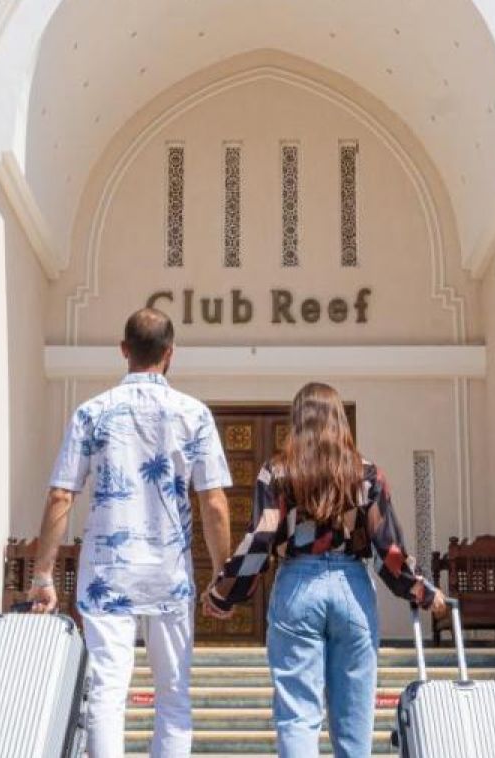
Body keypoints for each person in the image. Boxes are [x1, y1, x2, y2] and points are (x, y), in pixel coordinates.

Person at [27, 307, 234, 758]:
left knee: (106, 692)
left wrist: (43, 575)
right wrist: (223, 573)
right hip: (169, 574)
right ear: (170, 353)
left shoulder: (91, 413)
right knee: (174, 695)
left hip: (107, 576)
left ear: (124, 350)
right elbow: (214, 503)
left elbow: (61, 495)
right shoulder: (194, 414)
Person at [203, 382, 446, 758]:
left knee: (298, 718)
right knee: (354, 722)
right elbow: (388, 551)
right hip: (352, 587)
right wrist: (424, 592)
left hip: (298, 587)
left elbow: (261, 539)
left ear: (297, 421)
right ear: (340, 422)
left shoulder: (277, 472)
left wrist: (224, 592)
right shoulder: (367, 475)